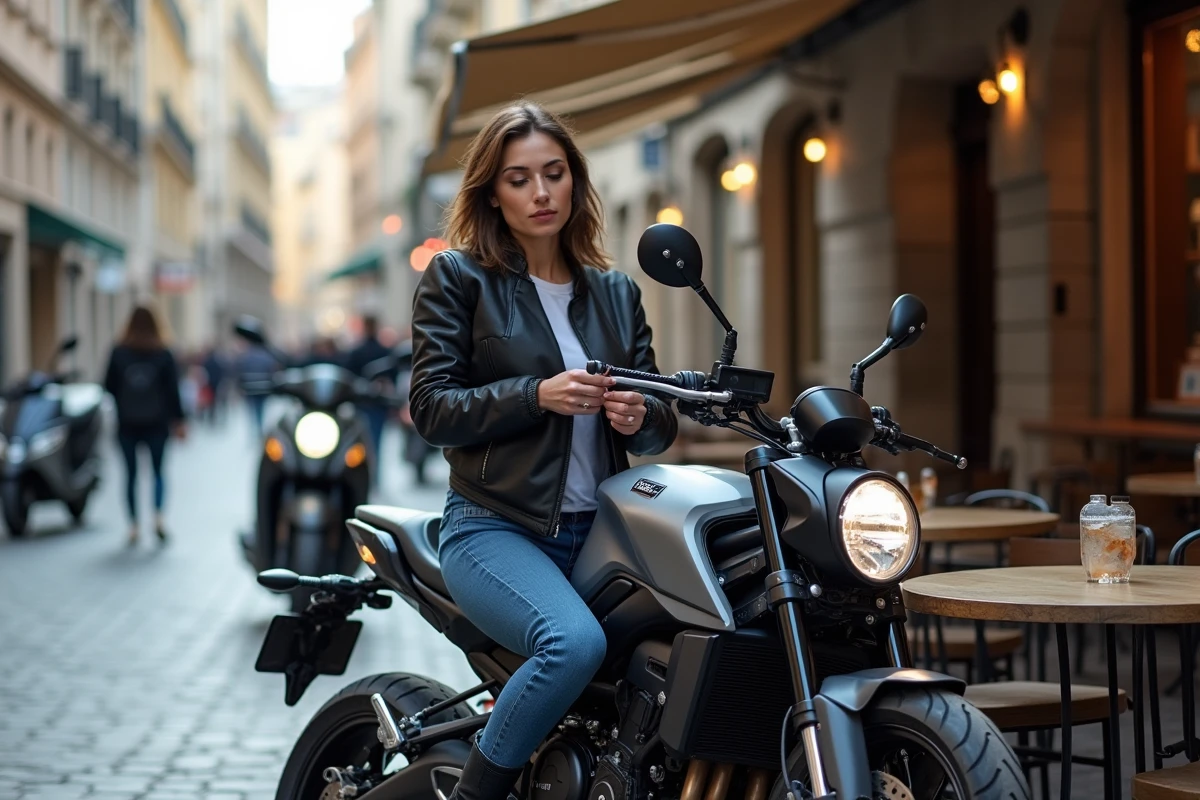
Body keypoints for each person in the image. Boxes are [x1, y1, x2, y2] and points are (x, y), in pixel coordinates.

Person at [409, 102, 678, 800]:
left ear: (574, 181)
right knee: (572, 644)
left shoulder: (616, 292)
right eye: (519, 178)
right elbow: (431, 409)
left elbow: (659, 424)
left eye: (554, 174)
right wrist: (536, 395)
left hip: (606, 533)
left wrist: (638, 414)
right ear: (492, 193)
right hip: (493, 527)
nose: (540, 192)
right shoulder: (458, 278)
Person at [104, 305, 187, 546]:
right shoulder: (163, 353)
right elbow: (173, 391)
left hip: (127, 423)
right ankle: (158, 517)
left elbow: (108, 386)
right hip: (157, 424)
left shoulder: (119, 352)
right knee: (158, 472)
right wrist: (180, 421)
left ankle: (133, 526)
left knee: (130, 475)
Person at [345, 315, 394, 466]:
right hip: (377, 403)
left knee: (360, 442)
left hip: (364, 403)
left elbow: (349, 376)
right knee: (375, 442)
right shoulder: (384, 351)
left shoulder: (357, 351)